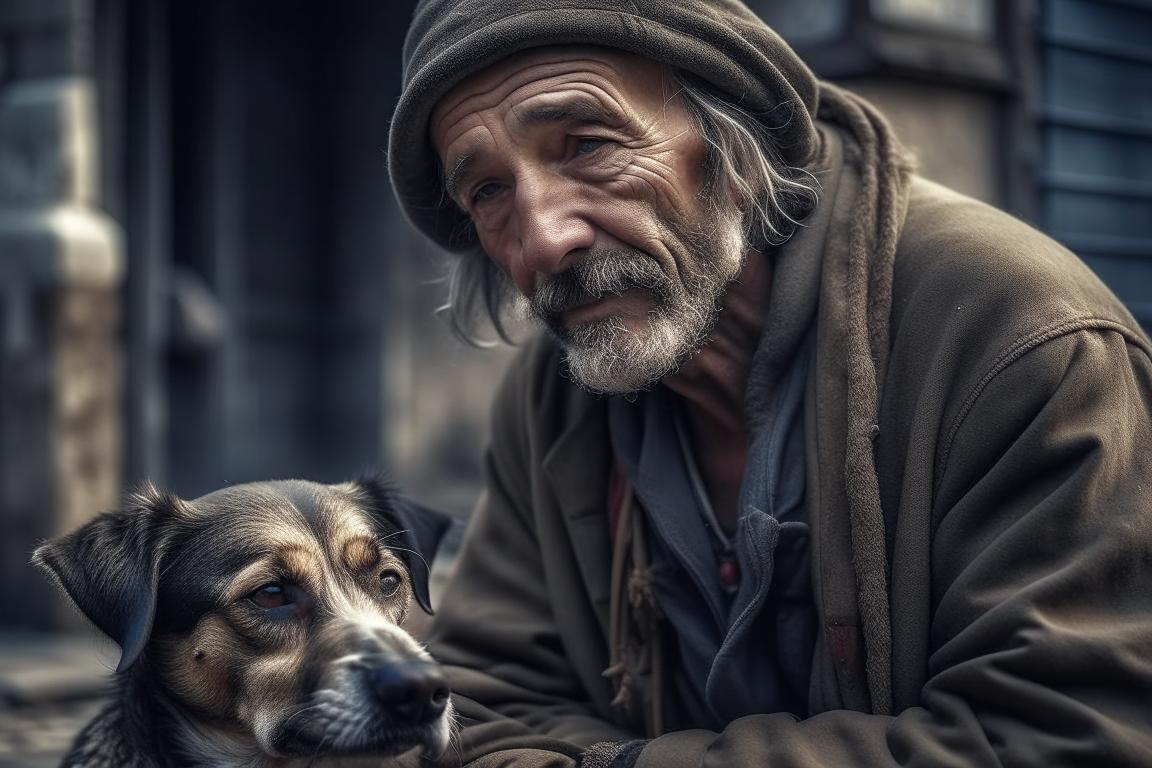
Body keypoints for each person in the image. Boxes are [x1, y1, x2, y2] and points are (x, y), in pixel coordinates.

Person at [387, 1, 1152, 766]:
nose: (546, 238)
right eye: (488, 191)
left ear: (733, 138)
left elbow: (1058, 737)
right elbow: (479, 700)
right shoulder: (558, 395)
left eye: (588, 145)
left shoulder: (1018, 337)